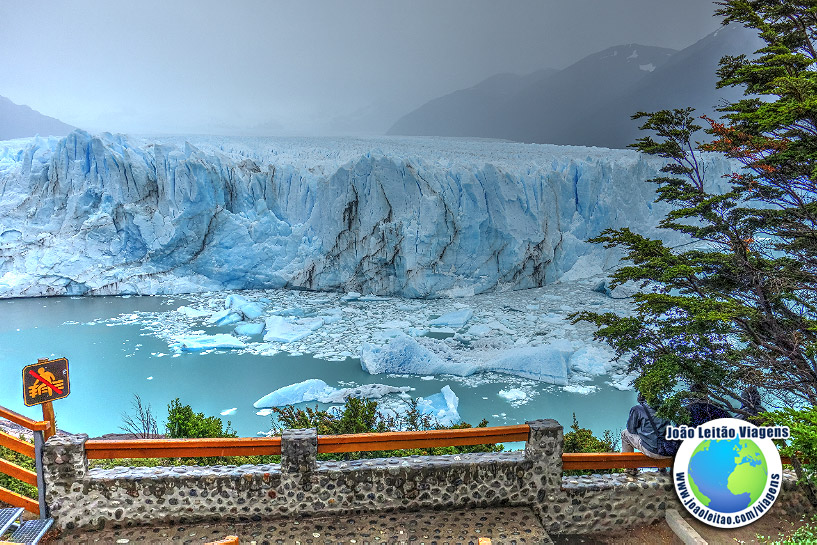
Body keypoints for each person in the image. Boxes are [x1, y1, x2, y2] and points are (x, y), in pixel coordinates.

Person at [621, 393, 674, 460]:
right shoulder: (665, 408)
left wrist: (641, 429)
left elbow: (631, 430)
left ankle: (629, 468)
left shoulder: (637, 409)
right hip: (668, 450)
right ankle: (662, 469)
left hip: (652, 452)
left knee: (625, 433)